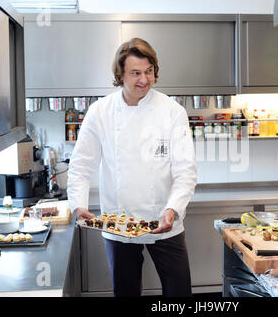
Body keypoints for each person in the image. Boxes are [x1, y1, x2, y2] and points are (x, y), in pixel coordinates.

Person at [67, 38, 197, 297]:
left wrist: (172, 209)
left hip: (164, 222)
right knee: (126, 293)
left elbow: (185, 171)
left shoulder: (172, 111)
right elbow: (81, 166)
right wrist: (78, 205)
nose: (144, 80)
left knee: (179, 293)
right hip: (119, 224)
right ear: (120, 74)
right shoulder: (100, 112)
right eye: (135, 73)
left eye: (149, 71)